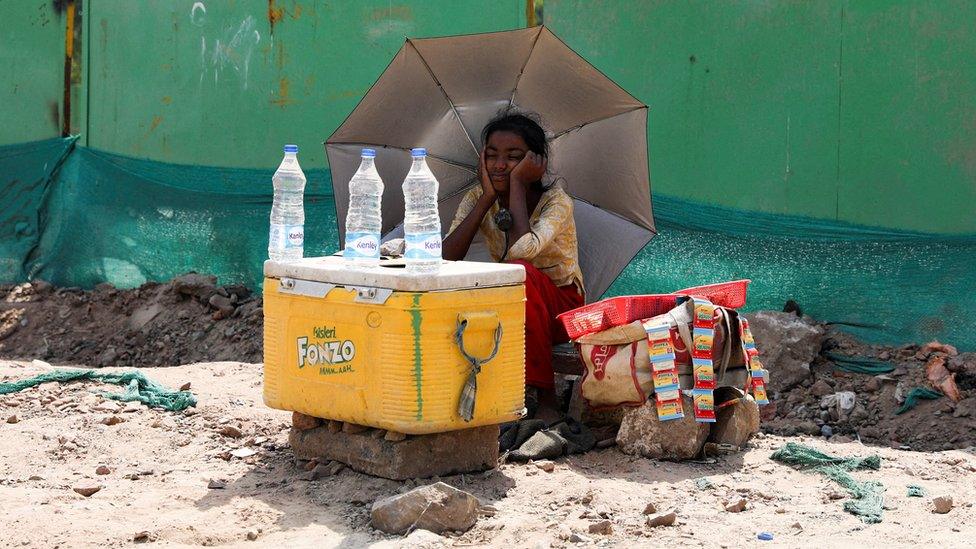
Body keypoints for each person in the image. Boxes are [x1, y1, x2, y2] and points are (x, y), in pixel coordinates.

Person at [443, 112, 584, 418]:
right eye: (491, 155)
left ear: (536, 163)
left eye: (513, 157)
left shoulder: (556, 202)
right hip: (513, 299)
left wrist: (517, 185)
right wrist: (485, 201)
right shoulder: (478, 197)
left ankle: (546, 400)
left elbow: (522, 251)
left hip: (562, 308)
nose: (499, 165)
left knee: (521, 273)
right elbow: (446, 258)